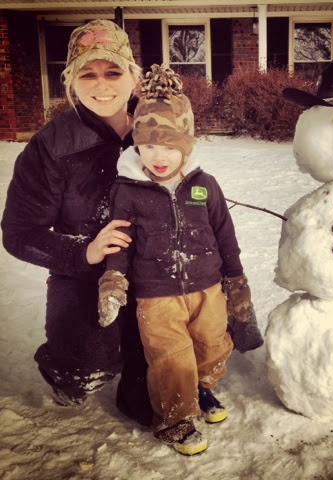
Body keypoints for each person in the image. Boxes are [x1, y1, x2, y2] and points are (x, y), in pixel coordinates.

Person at [97, 64, 264, 455]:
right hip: (156, 294)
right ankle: (177, 420)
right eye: (150, 146)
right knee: (170, 358)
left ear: (186, 146)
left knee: (213, 345)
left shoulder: (204, 186)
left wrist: (236, 280)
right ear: (137, 145)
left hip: (207, 286)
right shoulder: (128, 190)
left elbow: (225, 234)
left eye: (170, 147)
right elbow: (120, 242)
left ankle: (201, 389)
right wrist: (113, 280)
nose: (160, 157)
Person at [1, 19, 153, 426]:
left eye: (113, 72)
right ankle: (66, 367)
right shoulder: (50, 146)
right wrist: (83, 252)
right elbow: (19, 233)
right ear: (71, 80)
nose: (101, 85)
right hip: (86, 273)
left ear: (133, 76)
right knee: (85, 368)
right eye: (87, 74)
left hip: (154, 267)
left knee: (179, 346)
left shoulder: (159, 126)